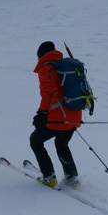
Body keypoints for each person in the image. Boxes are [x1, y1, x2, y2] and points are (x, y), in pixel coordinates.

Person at [30, 41, 81, 188]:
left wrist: (42, 113)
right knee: (62, 143)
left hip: (58, 117)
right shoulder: (66, 66)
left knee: (35, 140)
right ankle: (72, 180)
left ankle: (49, 177)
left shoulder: (46, 68)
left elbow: (49, 92)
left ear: (40, 54)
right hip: (75, 114)